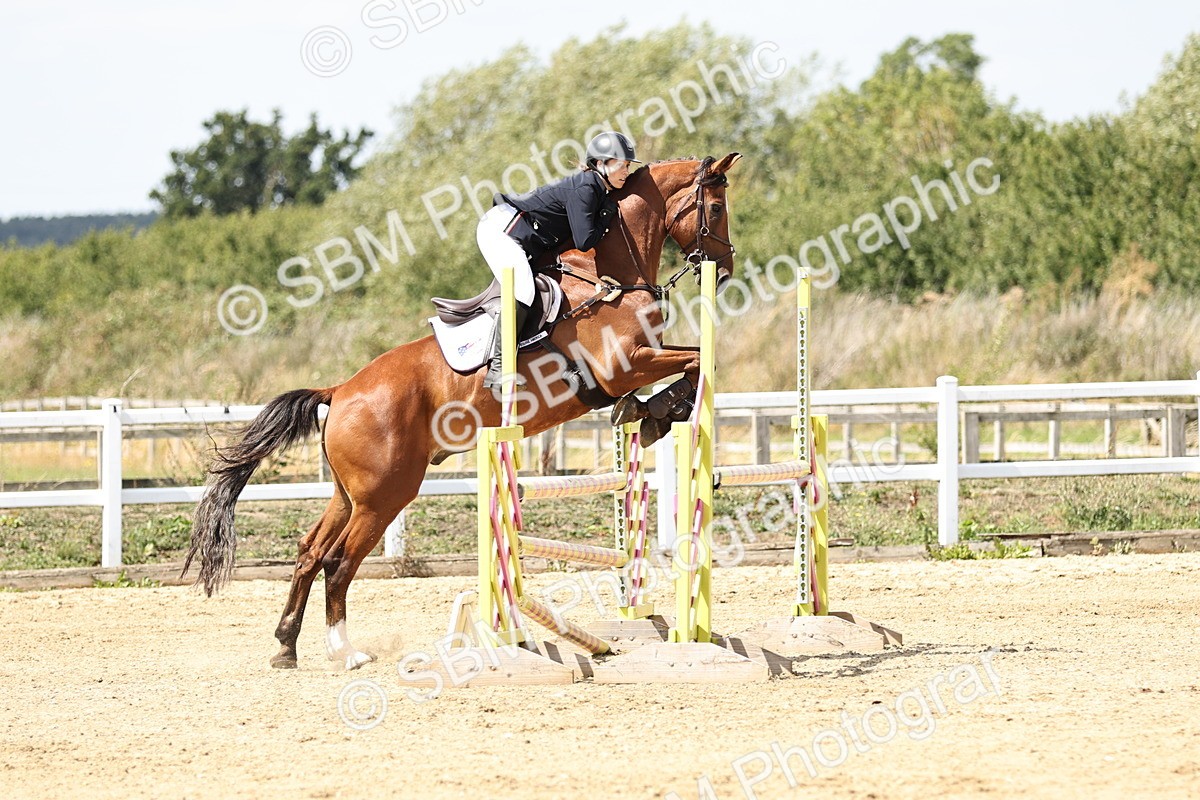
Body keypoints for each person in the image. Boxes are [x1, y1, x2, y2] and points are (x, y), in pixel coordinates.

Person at [476, 131, 641, 388]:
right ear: (600, 164)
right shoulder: (587, 187)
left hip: (522, 236)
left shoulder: (596, 188)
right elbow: (585, 241)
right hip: (502, 230)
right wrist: (607, 215)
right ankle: (498, 368)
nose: (626, 171)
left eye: (628, 165)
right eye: (620, 164)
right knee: (523, 289)